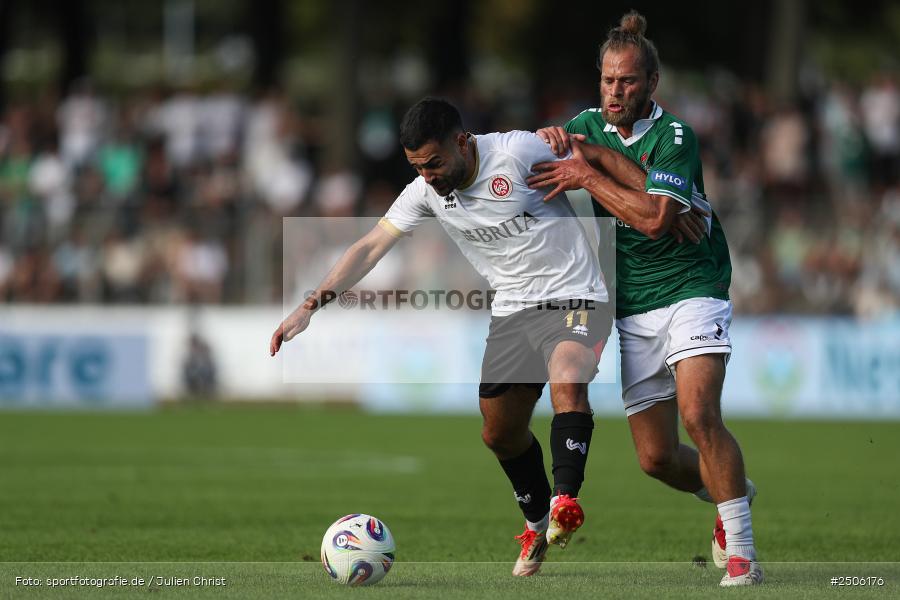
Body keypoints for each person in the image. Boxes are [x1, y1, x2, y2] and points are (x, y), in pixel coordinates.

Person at [270, 98, 614, 576]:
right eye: (417, 167)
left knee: (568, 375)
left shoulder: (517, 152)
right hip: (514, 309)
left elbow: (596, 153)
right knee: (499, 432)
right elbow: (370, 246)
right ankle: (537, 524)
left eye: (433, 163)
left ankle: (564, 501)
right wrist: (310, 306)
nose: (427, 175)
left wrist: (566, 138)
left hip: (578, 294)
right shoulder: (425, 193)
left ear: (461, 141)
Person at [527, 11, 763, 587]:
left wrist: (591, 172)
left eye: (628, 81)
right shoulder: (586, 124)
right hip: (631, 302)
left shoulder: (676, 136)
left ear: (651, 84)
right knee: (656, 459)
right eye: (607, 80)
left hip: (692, 288)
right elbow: (543, 149)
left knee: (699, 414)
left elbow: (659, 220)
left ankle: (742, 555)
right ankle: (734, 493)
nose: (615, 91)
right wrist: (554, 142)